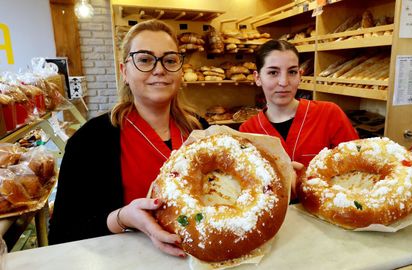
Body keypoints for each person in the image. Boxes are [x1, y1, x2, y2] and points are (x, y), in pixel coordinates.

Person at [49, 20, 207, 258]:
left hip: (200, 258)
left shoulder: (202, 130)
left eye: (170, 60)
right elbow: (61, 235)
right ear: (124, 71)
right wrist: (120, 218)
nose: (159, 69)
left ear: (180, 70)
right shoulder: (90, 141)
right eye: (144, 60)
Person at [240, 40, 358, 168]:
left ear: (300, 76)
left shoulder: (329, 114)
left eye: (292, 72)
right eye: (273, 72)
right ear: (257, 78)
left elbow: (356, 168)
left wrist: (307, 179)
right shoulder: (248, 131)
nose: (284, 82)